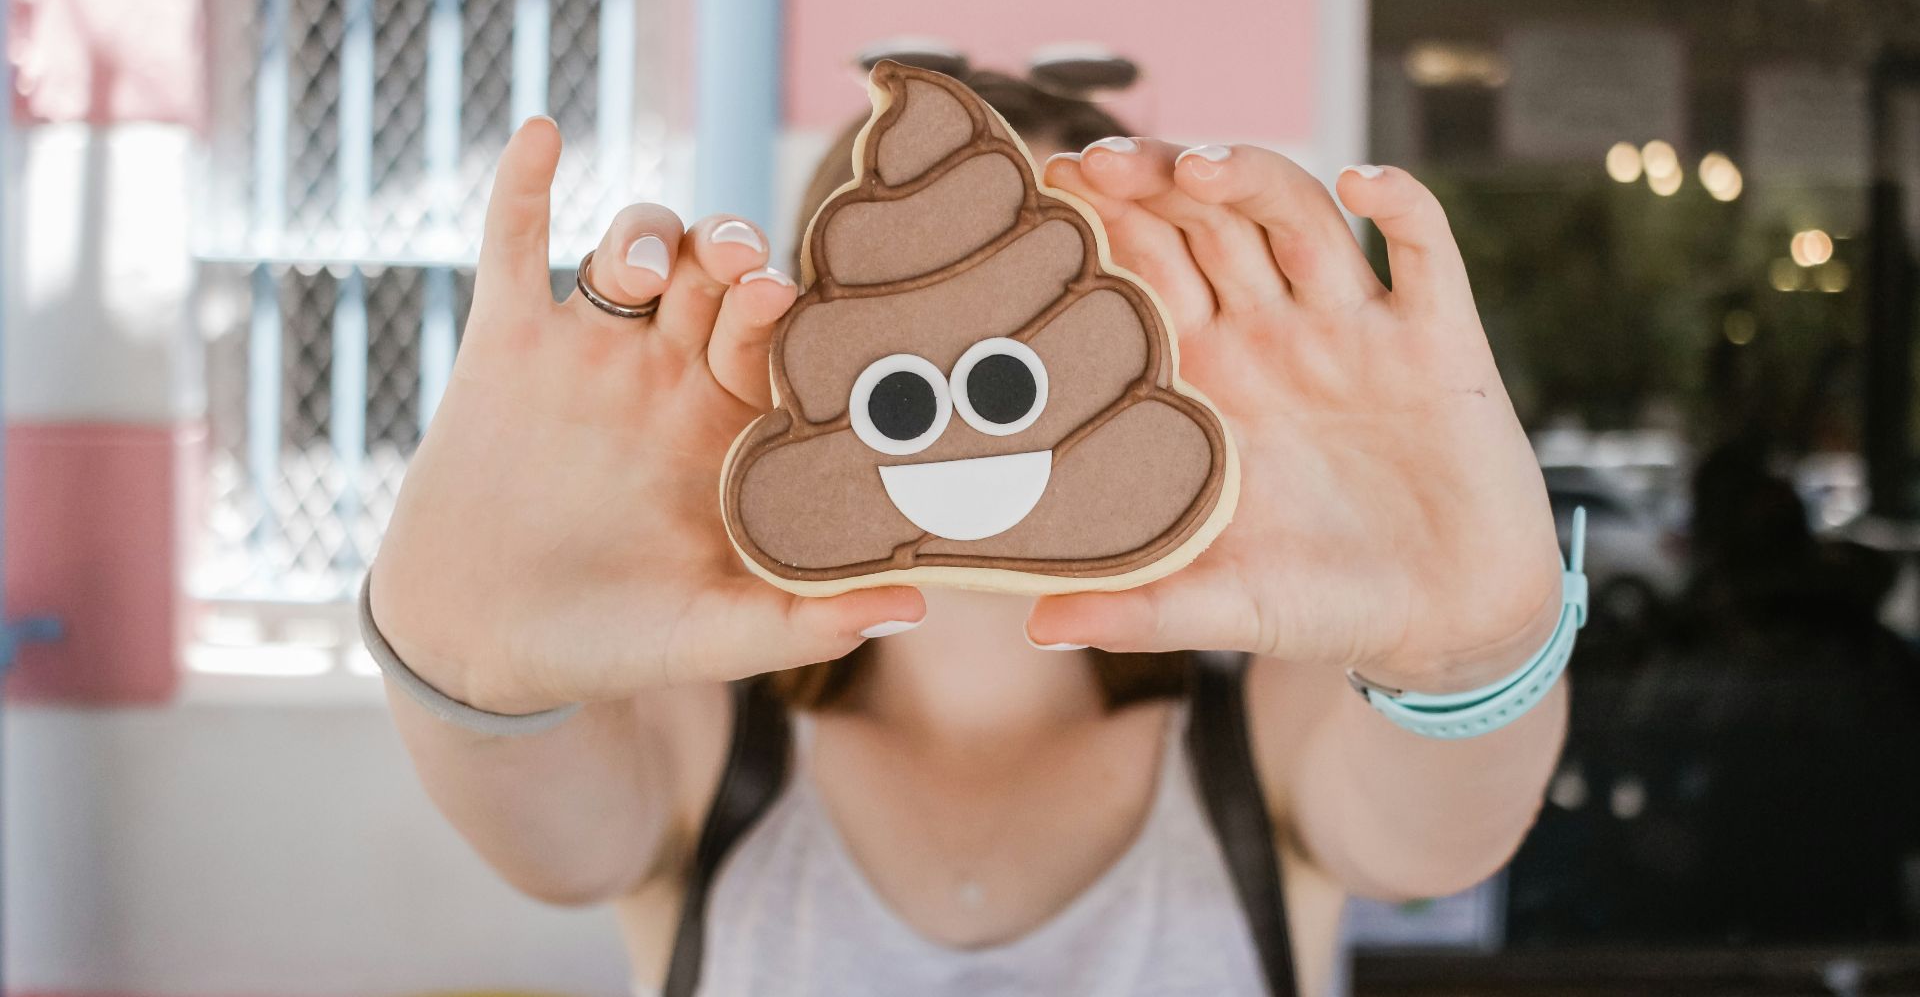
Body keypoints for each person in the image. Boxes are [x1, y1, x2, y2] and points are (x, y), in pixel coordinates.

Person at [365, 66, 1572, 997]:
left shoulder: (1264, 733)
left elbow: (1433, 841)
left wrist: (1478, 652)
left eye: (1052, 300)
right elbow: (554, 843)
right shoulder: (700, 737)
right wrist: (466, 672)